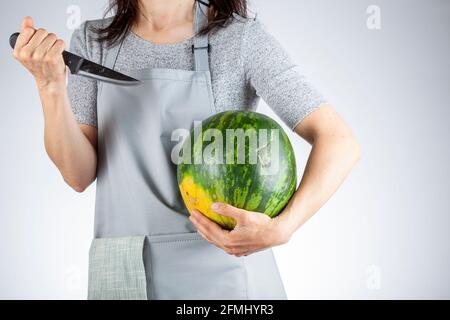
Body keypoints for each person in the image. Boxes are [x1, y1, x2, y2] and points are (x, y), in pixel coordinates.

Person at [12, 0, 360, 299]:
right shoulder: (93, 42)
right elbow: (78, 174)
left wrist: (284, 226)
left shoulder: (239, 39)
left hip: (222, 274)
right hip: (122, 272)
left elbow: (339, 141)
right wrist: (50, 86)